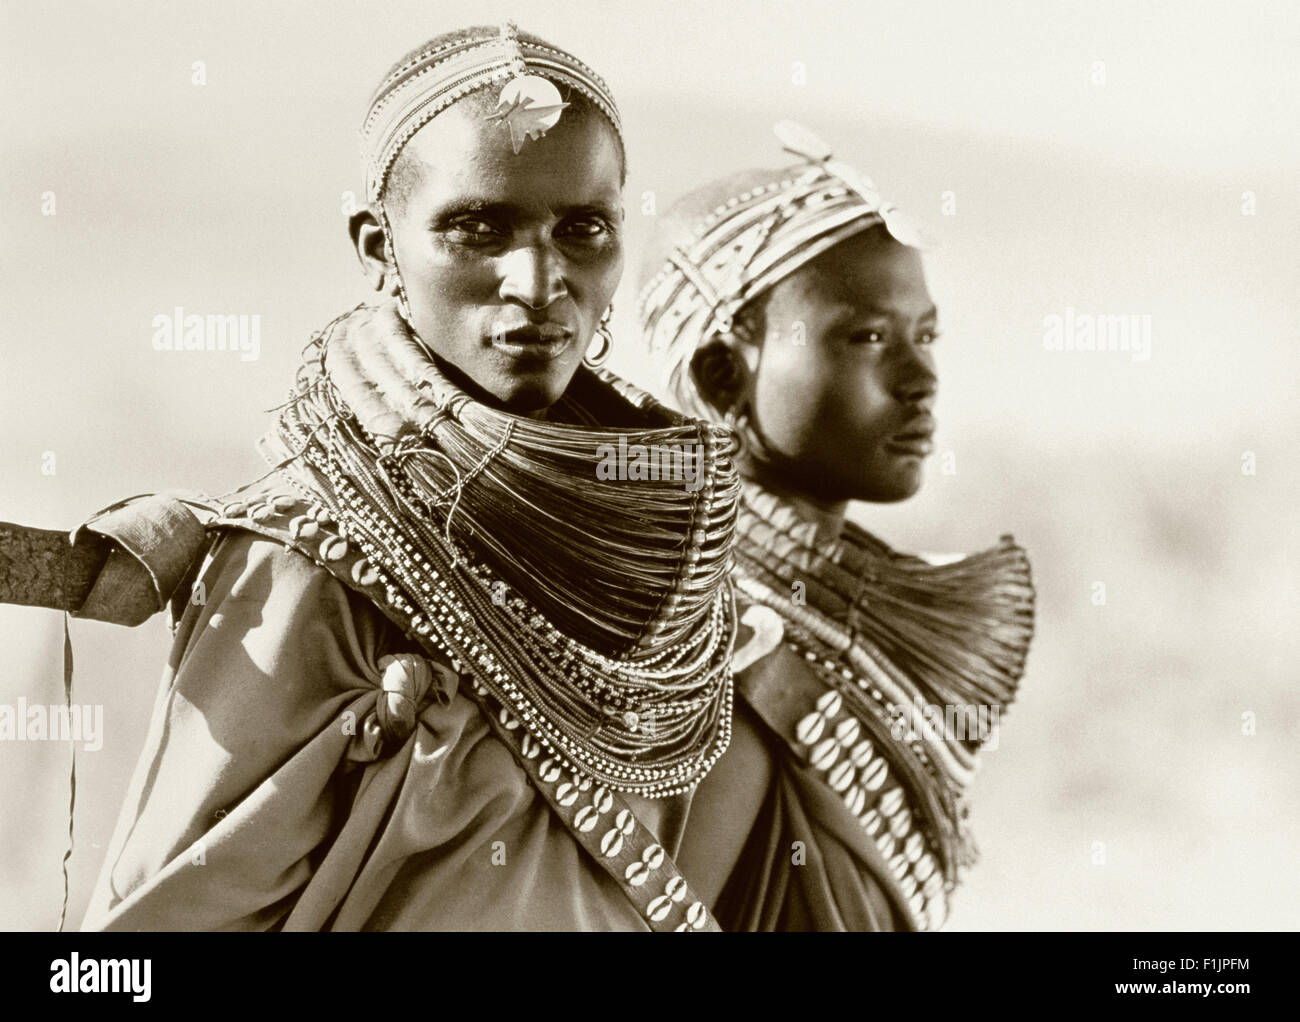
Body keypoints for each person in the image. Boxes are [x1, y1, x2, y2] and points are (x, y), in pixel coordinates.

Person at [2, 22, 757, 931]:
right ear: (377, 247)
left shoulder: (664, 570)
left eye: (582, 229)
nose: (538, 280)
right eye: (478, 228)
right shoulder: (309, 564)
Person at [637, 123, 1037, 930]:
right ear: (723, 375)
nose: (921, 378)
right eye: (867, 337)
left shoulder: (781, 638)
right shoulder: (712, 664)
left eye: (925, 336)